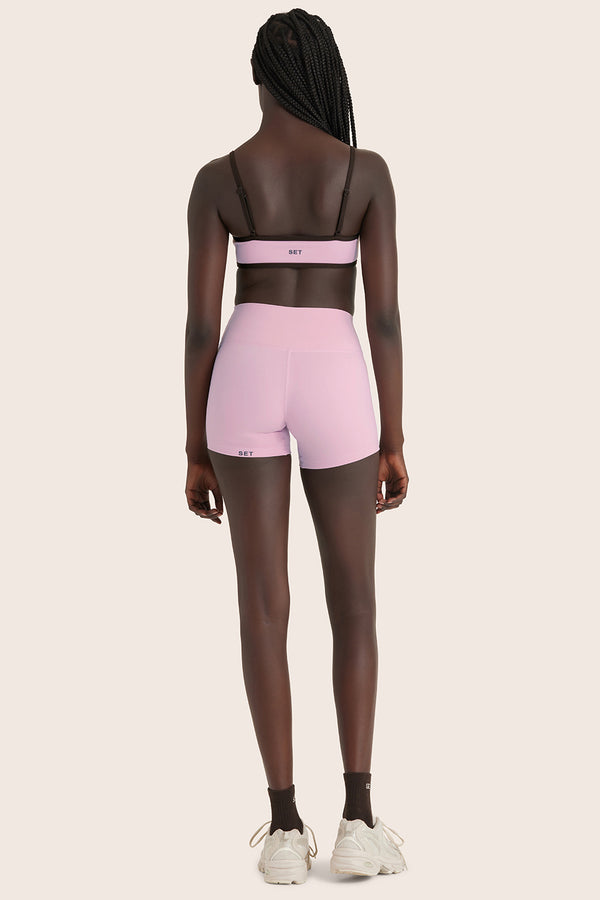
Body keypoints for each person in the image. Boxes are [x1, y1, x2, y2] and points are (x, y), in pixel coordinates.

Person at [184, 8, 409, 884]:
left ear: (258, 78)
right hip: (334, 372)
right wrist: (394, 435)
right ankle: (357, 819)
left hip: (242, 371)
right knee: (354, 602)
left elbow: (201, 326)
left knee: (261, 604)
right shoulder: (364, 172)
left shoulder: (219, 178)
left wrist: (193, 445)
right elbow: (382, 317)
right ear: (325, 75)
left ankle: (283, 830)